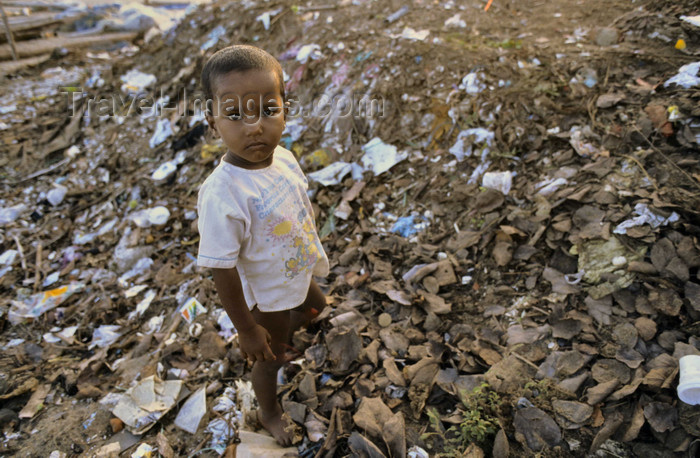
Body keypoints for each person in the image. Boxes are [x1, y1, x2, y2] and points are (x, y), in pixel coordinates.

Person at [196, 45, 329, 446]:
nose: (254, 127)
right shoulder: (223, 194)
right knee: (269, 356)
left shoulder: (283, 158)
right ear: (212, 120)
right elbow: (222, 267)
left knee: (317, 308)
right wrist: (248, 328)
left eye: (267, 111)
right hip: (267, 297)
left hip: (295, 269)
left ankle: (287, 336)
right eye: (235, 115)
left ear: (284, 109)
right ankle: (269, 410)